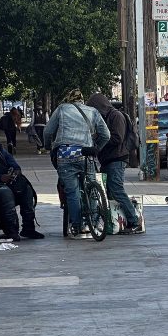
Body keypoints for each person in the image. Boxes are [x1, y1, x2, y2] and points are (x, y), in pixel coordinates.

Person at [43, 88, 110, 239]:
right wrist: (96, 148)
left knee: (72, 192)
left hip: (66, 154)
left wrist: (48, 146)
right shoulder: (93, 111)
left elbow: (48, 131)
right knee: (92, 187)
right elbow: (106, 134)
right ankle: (93, 221)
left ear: (69, 99)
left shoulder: (62, 109)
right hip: (86, 153)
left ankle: (77, 225)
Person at [86, 93, 142, 234]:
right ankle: (115, 221)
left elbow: (117, 138)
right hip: (108, 159)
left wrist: (99, 141)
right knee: (109, 192)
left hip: (117, 158)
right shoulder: (105, 117)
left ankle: (134, 221)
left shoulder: (116, 116)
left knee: (116, 189)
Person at [0, 126, 43, 241]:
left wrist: (15, 171)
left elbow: (12, 162)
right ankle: (12, 231)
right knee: (6, 194)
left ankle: (28, 228)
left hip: (8, 178)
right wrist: (0, 177)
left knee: (26, 189)